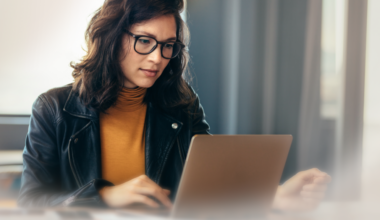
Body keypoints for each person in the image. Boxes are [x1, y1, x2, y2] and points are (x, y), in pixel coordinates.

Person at [18, 0, 330, 212]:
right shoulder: (54, 108)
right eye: (144, 41)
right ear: (112, 37)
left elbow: (210, 185)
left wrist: (274, 196)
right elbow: (31, 202)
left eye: (168, 46)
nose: (157, 58)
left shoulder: (181, 103)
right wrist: (104, 196)